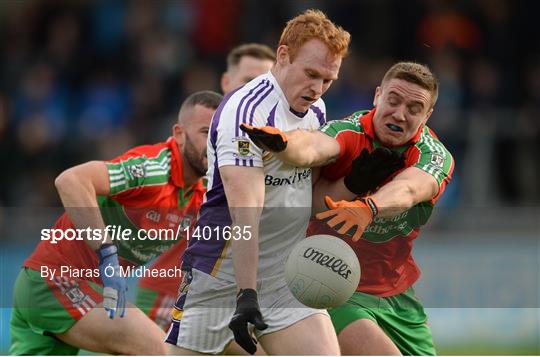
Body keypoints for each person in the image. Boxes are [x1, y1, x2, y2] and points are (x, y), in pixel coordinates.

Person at [165, 9, 350, 355]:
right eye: (311, 74)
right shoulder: (246, 112)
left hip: (285, 274)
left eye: (328, 80)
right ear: (282, 55)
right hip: (221, 275)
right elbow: (245, 214)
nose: (317, 88)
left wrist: (355, 188)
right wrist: (246, 293)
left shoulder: (318, 110)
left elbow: (308, 193)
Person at [241, 62, 454, 355]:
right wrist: (285, 144)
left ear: (427, 115)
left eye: (414, 108)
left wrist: (369, 208)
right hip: (331, 280)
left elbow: (410, 188)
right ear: (377, 96)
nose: (400, 113)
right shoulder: (347, 131)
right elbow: (316, 146)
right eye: (393, 100)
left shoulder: (433, 155)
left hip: (397, 292)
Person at [9, 90, 223, 355]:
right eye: (205, 132)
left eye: (220, 133)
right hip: (54, 281)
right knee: (162, 351)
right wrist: (107, 255)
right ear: (179, 133)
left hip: (67, 287)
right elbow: (71, 181)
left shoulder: (204, 191)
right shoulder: (153, 170)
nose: (214, 142)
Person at [135, 43, 275, 332]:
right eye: (249, 81)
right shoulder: (201, 143)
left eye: (267, 84)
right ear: (226, 82)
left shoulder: (270, 145)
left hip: (228, 294)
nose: (257, 92)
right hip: (172, 291)